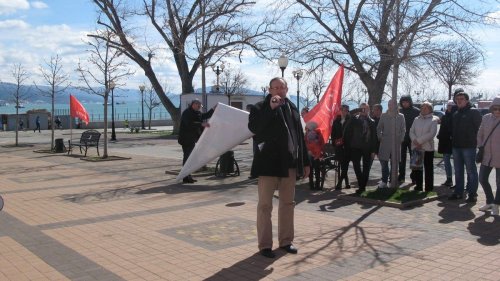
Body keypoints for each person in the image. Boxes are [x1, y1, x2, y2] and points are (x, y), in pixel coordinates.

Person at [248, 77, 310, 258]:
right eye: (275, 88)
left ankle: (286, 241)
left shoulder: (292, 108)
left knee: (288, 204)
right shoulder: (260, 108)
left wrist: (305, 162)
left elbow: (299, 137)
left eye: (282, 87)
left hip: (288, 164)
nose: (279, 91)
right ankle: (265, 245)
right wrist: (271, 108)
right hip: (268, 165)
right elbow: (255, 128)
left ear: (286, 88)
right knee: (265, 205)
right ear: (269, 90)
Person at [448, 91, 482, 202]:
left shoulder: (474, 112)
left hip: (469, 147)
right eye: (457, 99)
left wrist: (478, 143)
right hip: (456, 147)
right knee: (458, 171)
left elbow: (480, 130)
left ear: (467, 100)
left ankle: (472, 194)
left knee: (471, 171)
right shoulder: (456, 113)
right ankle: (458, 192)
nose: (459, 101)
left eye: (462, 99)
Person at [178, 99, 215, 184]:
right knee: (188, 158)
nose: (199, 107)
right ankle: (185, 176)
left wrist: (213, 109)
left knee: (189, 158)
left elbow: (204, 116)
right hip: (186, 139)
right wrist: (201, 124)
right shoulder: (187, 113)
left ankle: (187, 176)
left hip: (192, 139)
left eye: (200, 106)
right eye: (198, 105)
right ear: (193, 104)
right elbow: (189, 123)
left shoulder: (197, 113)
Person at [344, 103, 377, 193]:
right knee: (356, 166)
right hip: (356, 146)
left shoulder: (372, 121)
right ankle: (361, 183)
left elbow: (374, 137)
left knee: (366, 167)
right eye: (361, 109)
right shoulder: (354, 119)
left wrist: (374, 150)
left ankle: (362, 187)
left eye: (365, 109)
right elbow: (348, 127)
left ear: (368, 110)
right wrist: (356, 111)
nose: (363, 110)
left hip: (367, 147)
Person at [477, 96, 500, 215]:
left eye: (499, 109)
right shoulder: (486, 118)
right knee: (482, 178)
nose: (497, 111)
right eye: (495, 108)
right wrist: (480, 146)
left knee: (499, 182)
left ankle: (496, 204)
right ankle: (490, 201)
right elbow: (480, 133)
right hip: (487, 156)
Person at [409, 102, 439, 191]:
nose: (423, 109)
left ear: (430, 109)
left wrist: (419, 141)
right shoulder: (416, 119)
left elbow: (431, 133)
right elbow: (411, 131)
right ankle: (418, 186)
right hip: (416, 148)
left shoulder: (433, 120)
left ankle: (429, 187)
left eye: (425, 108)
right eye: (422, 108)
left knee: (428, 168)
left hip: (427, 148)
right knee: (417, 168)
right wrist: (415, 141)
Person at [376, 99, 405, 188]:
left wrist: (401, 139)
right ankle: (384, 181)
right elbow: (379, 128)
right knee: (384, 162)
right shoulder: (384, 116)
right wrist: (380, 137)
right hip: (385, 142)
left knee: (394, 163)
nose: (390, 106)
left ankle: (392, 181)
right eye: (389, 104)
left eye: (392, 104)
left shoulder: (401, 116)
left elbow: (403, 129)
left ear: (396, 105)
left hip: (396, 143)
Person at [398, 95, 420, 184]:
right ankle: (401, 175)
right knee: (401, 158)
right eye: (403, 102)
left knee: (414, 158)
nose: (405, 103)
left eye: (406, 102)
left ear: (410, 102)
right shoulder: (399, 111)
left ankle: (414, 177)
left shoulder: (416, 111)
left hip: (413, 139)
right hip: (402, 139)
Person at [331, 104, 351, 190]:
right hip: (339, 147)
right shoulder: (336, 121)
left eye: (346, 110)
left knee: (345, 164)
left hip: (348, 147)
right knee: (343, 165)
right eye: (343, 110)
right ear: (340, 110)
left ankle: (339, 184)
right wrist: (335, 143)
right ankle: (346, 183)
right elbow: (333, 134)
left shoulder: (350, 120)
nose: (345, 112)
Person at [437, 100, 455, 187]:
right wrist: (439, 135)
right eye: (448, 105)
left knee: (458, 163)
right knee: (447, 161)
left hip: (454, 142)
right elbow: (442, 128)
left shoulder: (456, 116)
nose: (450, 107)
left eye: (451, 105)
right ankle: (449, 179)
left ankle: (460, 182)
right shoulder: (444, 117)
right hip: (445, 142)